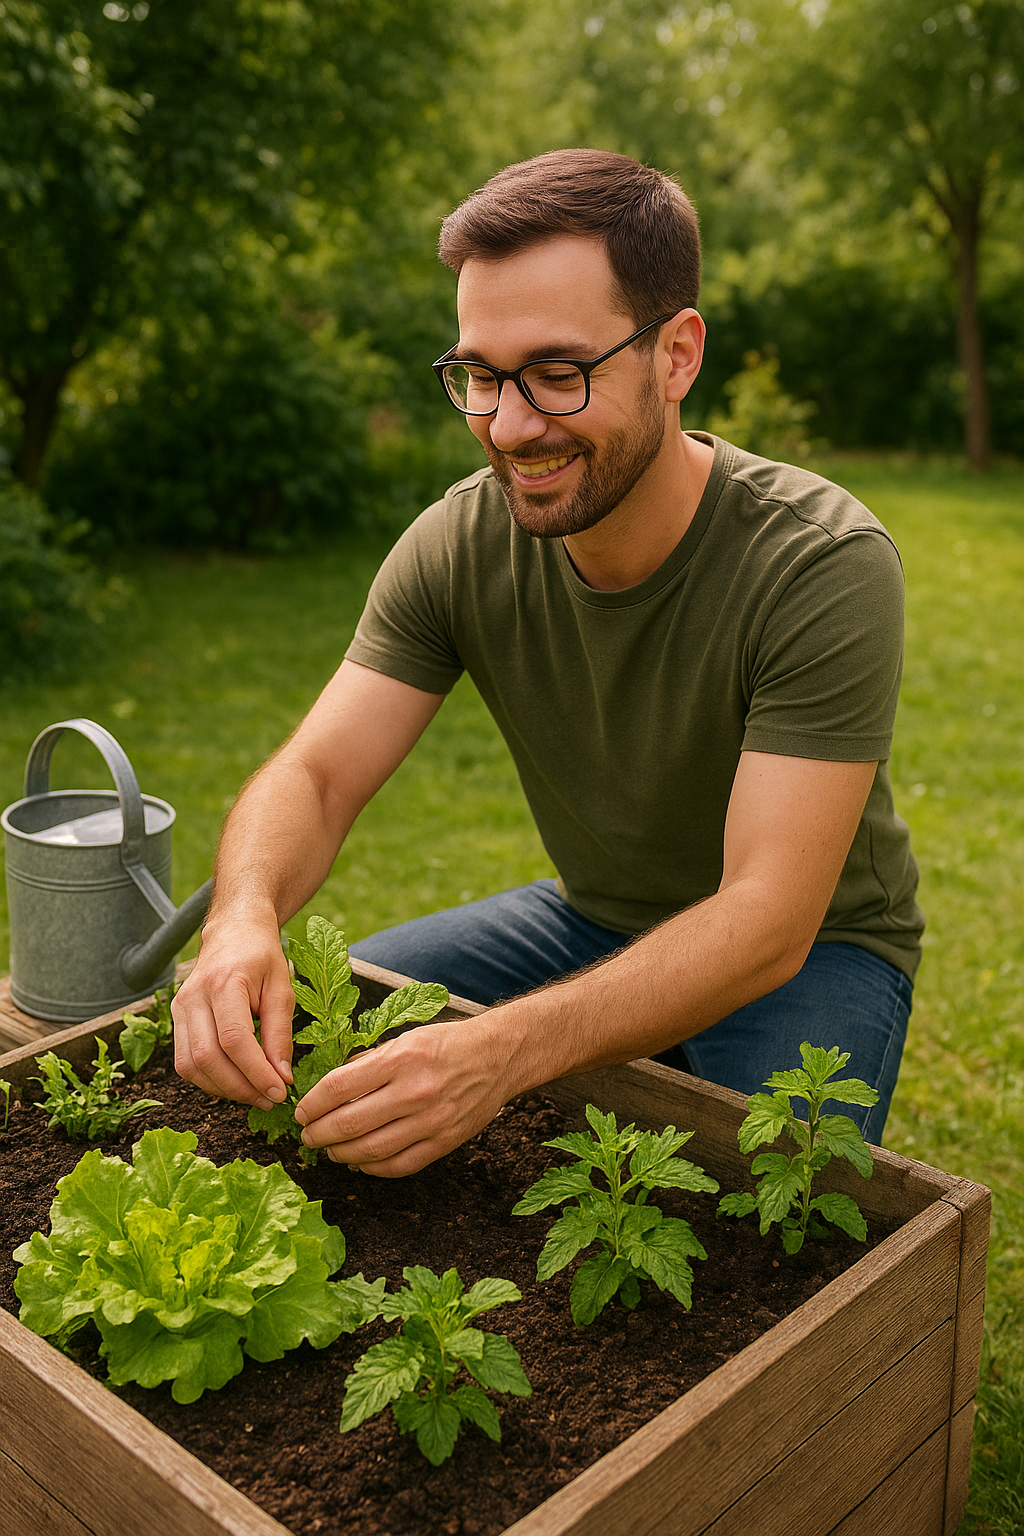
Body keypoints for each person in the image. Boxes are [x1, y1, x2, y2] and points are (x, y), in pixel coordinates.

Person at [172, 148, 924, 1173]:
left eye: (558, 374)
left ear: (675, 354)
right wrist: (240, 917)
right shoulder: (457, 543)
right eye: (479, 376)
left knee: (750, 1209)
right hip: (589, 919)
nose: (510, 426)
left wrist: (503, 1051)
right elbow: (314, 772)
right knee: (320, 1044)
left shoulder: (819, 563)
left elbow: (765, 920)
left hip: (816, 954)